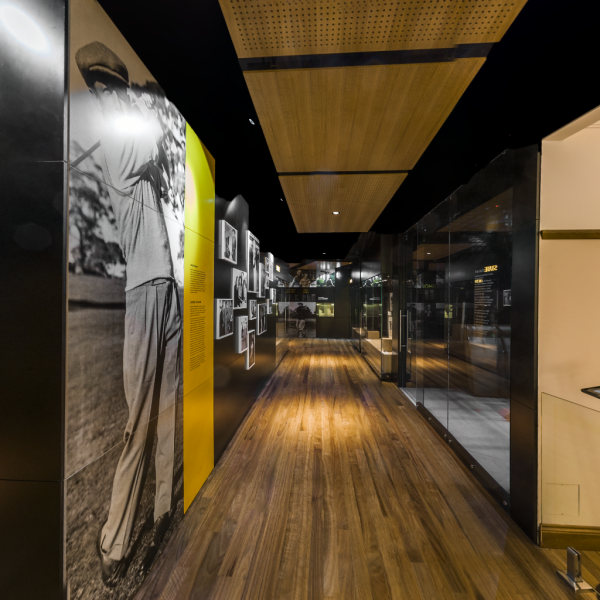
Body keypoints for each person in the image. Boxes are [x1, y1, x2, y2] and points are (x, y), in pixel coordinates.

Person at [76, 41, 181, 587]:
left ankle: (162, 510)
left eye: (111, 88)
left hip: (167, 287)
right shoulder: (121, 145)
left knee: (168, 408)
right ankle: (115, 543)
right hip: (143, 291)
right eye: (100, 90)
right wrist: (145, 103)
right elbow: (156, 134)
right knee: (139, 421)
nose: (107, 98)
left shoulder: (132, 141)